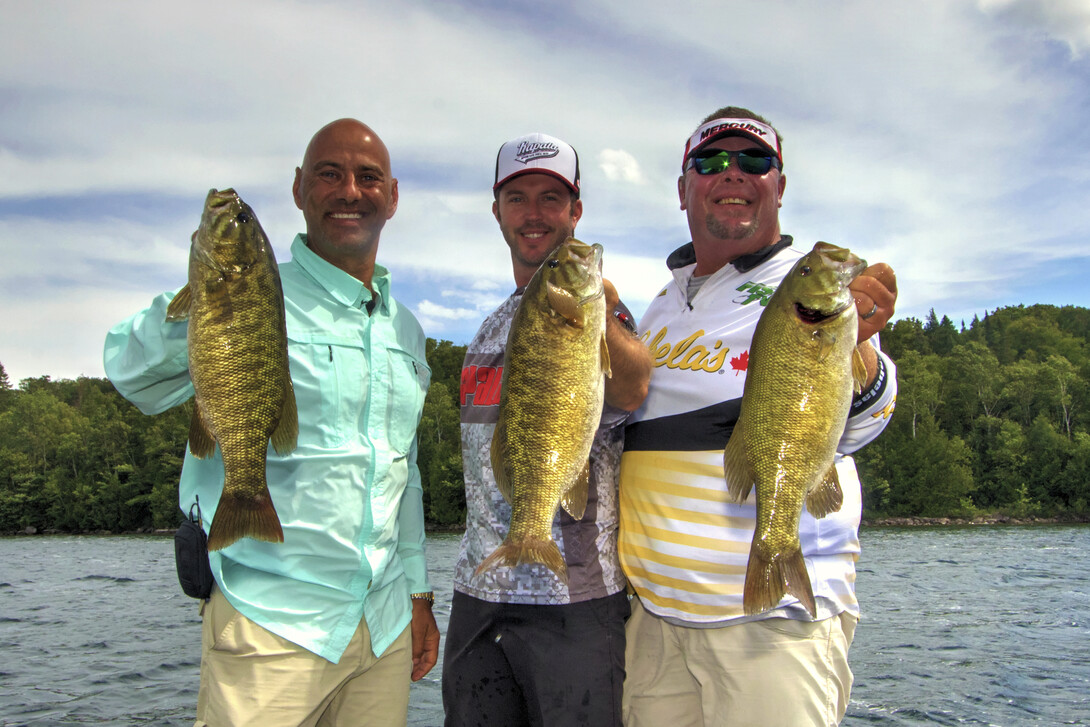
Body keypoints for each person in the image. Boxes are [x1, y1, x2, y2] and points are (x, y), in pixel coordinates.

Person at [103, 118, 439, 727]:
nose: (349, 192)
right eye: (328, 175)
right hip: (269, 624)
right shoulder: (253, 291)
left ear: (392, 196)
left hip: (383, 624)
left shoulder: (406, 330)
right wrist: (208, 295)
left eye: (368, 178)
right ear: (298, 189)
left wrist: (417, 591)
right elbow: (130, 374)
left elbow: (404, 471)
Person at [618, 108, 899, 727]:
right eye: (711, 162)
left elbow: (864, 417)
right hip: (658, 623)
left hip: (770, 630)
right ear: (683, 187)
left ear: (780, 184)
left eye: (755, 161)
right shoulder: (663, 302)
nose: (733, 173)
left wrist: (863, 357)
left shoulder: (801, 293)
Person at [441, 133, 653, 727]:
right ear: (498, 211)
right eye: (518, 198)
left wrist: (595, 312)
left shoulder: (603, 317)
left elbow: (633, 385)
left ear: (575, 211)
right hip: (478, 596)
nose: (534, 213)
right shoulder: (485, 332)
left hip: (575, 604)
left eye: (551, 199)